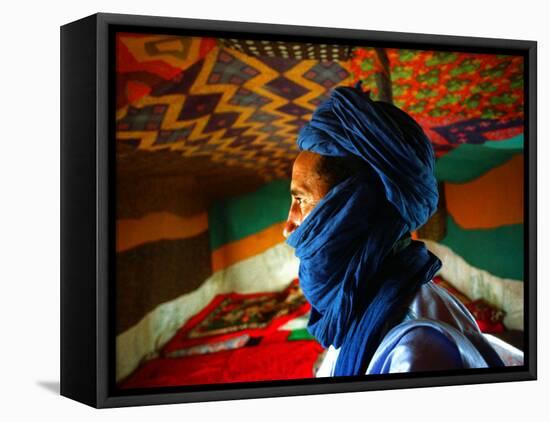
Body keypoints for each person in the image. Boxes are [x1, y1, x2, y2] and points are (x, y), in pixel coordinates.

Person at [282, 84, 503, 376]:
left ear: (355, 207)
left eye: (300, 199)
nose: (288, 228)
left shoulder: (417, 351)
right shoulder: (360, 302)